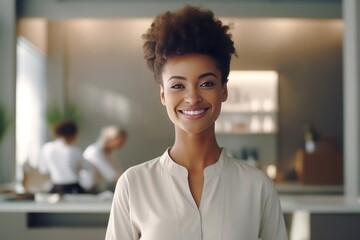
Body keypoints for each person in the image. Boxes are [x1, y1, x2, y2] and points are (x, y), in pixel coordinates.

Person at [105, 5, 288, 240]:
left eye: (207, 83)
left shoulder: (257, 187)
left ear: (223, 90)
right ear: (163, 95)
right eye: (178, 86)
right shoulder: (133, 185)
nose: (192, 98)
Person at [38, 120, 88, 194]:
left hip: (56, 188)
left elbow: (43, 170)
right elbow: (86, 168)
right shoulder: (74, 151)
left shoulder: (46, 148)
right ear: (73, 135)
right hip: (74, 188)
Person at [82, 125, 127, 192]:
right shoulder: (95, 151)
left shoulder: (111, 152)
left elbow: (117, 171)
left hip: (97, 187)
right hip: (87, 188)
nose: (122, 144)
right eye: (120, 141)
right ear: (111, 139)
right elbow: (111, 174)